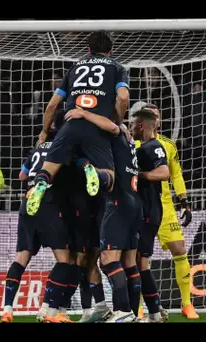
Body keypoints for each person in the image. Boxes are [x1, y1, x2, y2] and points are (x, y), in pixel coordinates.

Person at [26, 31, 130, 216]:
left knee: (49, 167)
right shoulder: (117, 68)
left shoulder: (74, 68)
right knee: (110, 177)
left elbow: (52, 105)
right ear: (111, 50)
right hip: (96, 127)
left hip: (69, 124)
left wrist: (43, 131)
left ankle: (40, 184)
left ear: (88, 50)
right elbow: (123, 98)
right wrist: (116, 121)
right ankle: (94, 173)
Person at [64, 108, 143, 323]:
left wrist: (83, 113)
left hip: (117, 202)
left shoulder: (116, 132)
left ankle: (123, 311)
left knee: (108, 261)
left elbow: (110, 126)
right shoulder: (128, 142)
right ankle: (132, 314)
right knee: (129, 262)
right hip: (135, 202)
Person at [1, 110, 74, 323]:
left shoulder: (37, 148)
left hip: (27, 204)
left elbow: (22, 175)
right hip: (48, 204)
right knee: (64, 261)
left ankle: (7, 309)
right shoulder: (63, 147)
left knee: (21, 258)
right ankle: (47, 309)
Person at [130, 102, 198, 320]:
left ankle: (187, 304)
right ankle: (139, 306)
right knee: (139, 256)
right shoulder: (132, 143)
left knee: (179, 249)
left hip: (165, 205)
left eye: (158, 115)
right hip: (140, 205)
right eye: (152, 116)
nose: (156, 119)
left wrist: (184, 200)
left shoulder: (168, 144)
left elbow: (175, 174)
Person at [130, 109, 171, 323]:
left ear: (142, 126)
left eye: (134, 124)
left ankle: (152, 313)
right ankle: (153, 312)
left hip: (148, 211)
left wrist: (140, 175)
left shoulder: (154, 147)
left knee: (139, 262)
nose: (131, 128)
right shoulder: (143, 147)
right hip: (144, 210)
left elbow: (164, 173)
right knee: (137, 261)